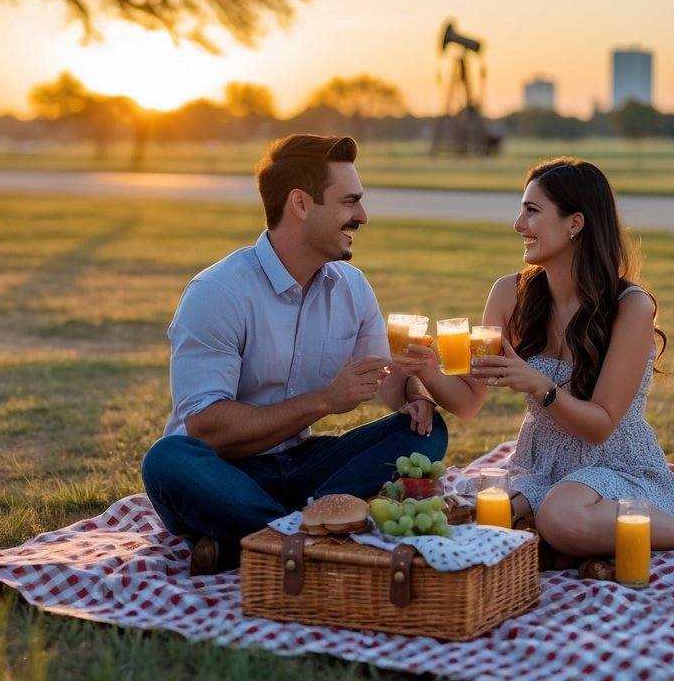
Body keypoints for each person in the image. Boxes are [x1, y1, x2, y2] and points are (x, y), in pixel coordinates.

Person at [400, 157, 674, 579]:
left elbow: (600, 426)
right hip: (540, 465)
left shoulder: (630, 307)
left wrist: (540, 386)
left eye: (532, 211)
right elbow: (469, 402)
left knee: (560, 516)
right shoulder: (509, 293)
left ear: (575, 223)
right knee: (470, 517)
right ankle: (576, 550)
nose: (518, 223)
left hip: (617, 466)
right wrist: (430, 373)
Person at [141, 134, 452, 576]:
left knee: (425, 431)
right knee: (167, 460)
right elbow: (209, 429)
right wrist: (326, 400)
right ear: (301, 204)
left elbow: (387, 380)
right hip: (225, 473)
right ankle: (318, 532)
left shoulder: (351, 286)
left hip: (307, 469)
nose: (362, 216)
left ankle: (260, 538)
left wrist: (416, 392)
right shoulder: (218, 293)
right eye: (349, 202)